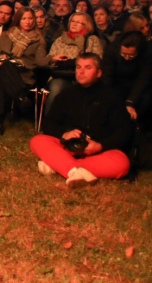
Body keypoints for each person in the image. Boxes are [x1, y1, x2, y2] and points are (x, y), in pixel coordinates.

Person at [30, 53, 133, 188]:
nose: (81, 72)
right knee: (38, 141)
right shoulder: (66, 95)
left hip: (97, 151)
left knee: (121, 164)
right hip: (69, 147)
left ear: (99, 73)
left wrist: (100, 145)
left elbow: (124, 131)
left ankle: (57, 165)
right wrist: (64, 134)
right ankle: (74, 170)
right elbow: (48, 123)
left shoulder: (112, 97)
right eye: (79, 67)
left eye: (88, 67)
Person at [0, 7, 49, 135]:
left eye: (30, 18)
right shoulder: (7, 35)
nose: (27, 22)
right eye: (24, 18)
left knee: (4, 80)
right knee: (6, 65)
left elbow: (39, 61)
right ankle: (21, 97)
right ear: (19, 20)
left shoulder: (38, 40)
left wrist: (53, 59)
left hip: (23, 73)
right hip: (1, 68)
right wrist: (1, 57)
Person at [102, 31, 152, 129]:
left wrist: (130, 102)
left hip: (142, 84)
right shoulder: (112, 49)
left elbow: (144, 78)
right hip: (119, 81)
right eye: (124, 54)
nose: (127, 58)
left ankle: (137, 128)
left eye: (131, 55)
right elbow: (108, 76)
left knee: (145, 99)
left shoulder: (149, 51)